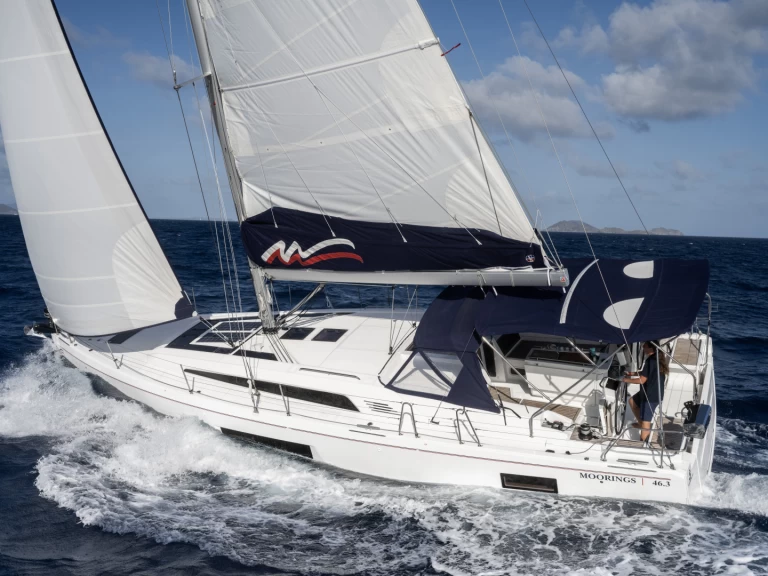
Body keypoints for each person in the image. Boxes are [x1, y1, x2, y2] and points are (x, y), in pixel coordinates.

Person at [623, 341, 668, 442]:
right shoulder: (656, 358)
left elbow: (642, 380)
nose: (643, 347)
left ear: (651, 348)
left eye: (645, 346)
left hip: (651, 397)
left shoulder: (651, 361)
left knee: (646, 425)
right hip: (648, 392)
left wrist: (626, 380)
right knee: (632, 401)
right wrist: (632, 373)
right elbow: (645, 373)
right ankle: (640, 423)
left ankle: (643, 443)